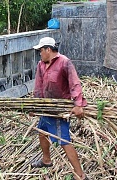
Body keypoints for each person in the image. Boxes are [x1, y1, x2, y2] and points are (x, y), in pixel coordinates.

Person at [31, 37, 88, 180]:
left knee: (64, 141)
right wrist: (35, 105)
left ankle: (80, 175)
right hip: (46, 107)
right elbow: (38, 86)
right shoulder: (41, 65)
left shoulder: (64, 63)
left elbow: (74, 84)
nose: (39, 54)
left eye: (41, 51)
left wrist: (78, 104)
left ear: (48, 50)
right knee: (42, 131)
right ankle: (46, 160)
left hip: (59, 110)